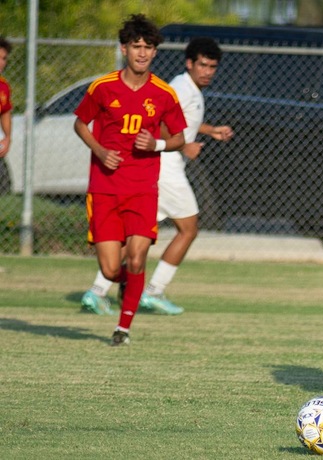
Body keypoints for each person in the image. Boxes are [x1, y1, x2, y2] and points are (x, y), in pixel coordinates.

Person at [80, 36, 233, 316]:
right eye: (203, 65)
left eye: (213, 67)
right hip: (164, 166)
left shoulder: (190, 90)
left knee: (135, 239)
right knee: (189, 229)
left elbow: (183, 122)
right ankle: (153, 292)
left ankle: (97, 291)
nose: (208, 71)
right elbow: (159, 123)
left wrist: (209, 131)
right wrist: (183, 144)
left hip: (159, 168)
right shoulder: (180, 88)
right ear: (189, 63)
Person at [73, 14, 186, 345]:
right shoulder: (103, 87)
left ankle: (123, 328)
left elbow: (179, 137)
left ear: (154, 52)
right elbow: (80, 123)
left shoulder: (164, 93)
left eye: (148, 47)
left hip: (141, 190)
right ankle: (126, 283)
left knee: (137, 257)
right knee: (111, 270)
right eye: (136, 46)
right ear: (124, 49)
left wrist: (157, 144)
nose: (142, 53)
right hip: (105, 189)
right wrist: (98, 149)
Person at [0, 37, 12, 159]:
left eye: (4, 58)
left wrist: (7, 138)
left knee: (5, 178)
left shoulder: (3, 86)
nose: (1, 62)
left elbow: (5, 112)